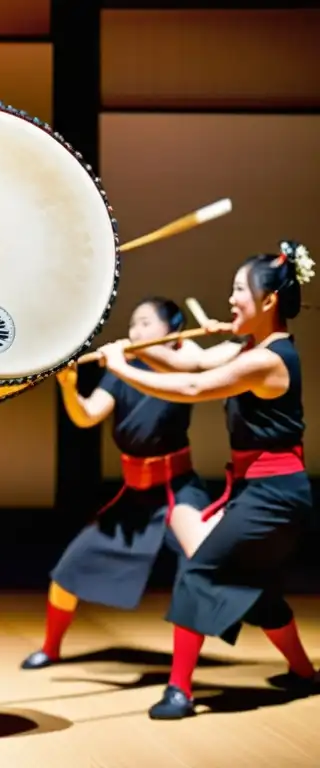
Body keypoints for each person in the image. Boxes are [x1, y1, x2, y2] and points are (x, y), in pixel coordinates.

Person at [98, 240, 318, 719]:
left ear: (268, 301)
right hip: (259, 491)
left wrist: (120, 368)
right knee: (256, 589)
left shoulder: (267, 358)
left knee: (199, 571)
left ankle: (180, 690)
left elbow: (194, 387)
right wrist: (142, 353)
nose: (231, 297)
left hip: (275, 495)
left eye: (240, 289)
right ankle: (305, 674)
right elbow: (189, 363)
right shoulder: (251, 347)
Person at [21, 299, 211, 670]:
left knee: (209, 567)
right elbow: (88, 416)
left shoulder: (180, 364)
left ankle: (188, 676)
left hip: (177, 489)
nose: (134, 332)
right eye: (133, 324)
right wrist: (69, 386)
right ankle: (51, 647)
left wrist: (184, 345)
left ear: (172, 332)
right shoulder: (122, 369)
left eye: (144, 323)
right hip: (134, 495)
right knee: (68, 570)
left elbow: (194, 366)